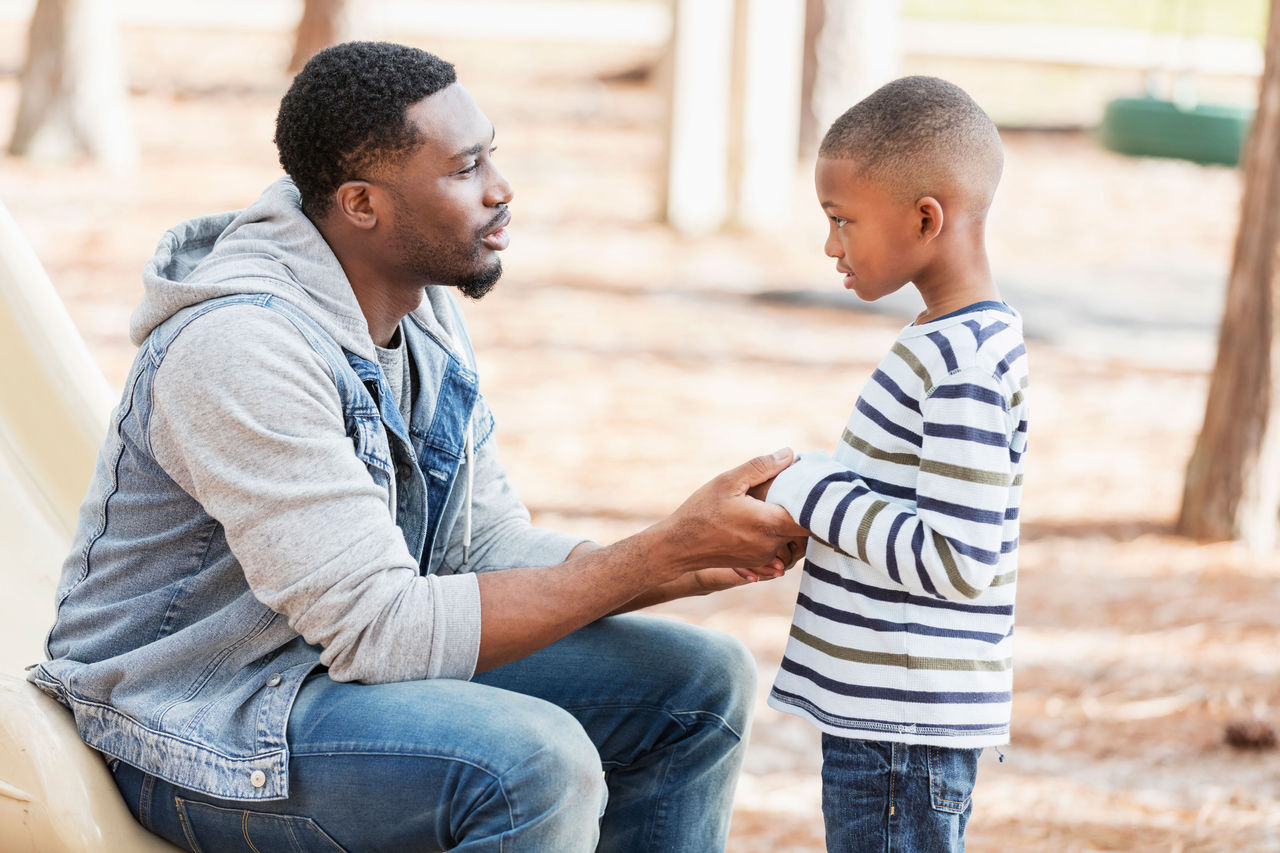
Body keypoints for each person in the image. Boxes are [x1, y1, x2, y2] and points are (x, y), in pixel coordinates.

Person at [27, 41, 808, 853]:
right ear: (363, 204)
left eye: (491, 155)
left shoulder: (420, 308)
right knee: (531, 765)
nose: (502, 191)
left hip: (325, 675)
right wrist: (649, 558)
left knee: (699, 685)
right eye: (465, 169)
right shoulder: (239, 348)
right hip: (194, 720)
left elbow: (483, 545)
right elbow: (381, 629)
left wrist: (681, 562)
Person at [755, 76, 1030, 852]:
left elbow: (958, 555)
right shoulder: (946, 341)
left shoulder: (965, 361)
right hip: (890, 718)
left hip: (902, 729)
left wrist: (813, 488)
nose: (830, 246)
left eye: (842, 221)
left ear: (925, 217)